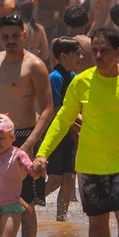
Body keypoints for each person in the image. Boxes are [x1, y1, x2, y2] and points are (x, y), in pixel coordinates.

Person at [33, 26, 119, 237]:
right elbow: (62, 120)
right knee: (97, 226)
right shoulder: (81, 82)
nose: (98, 54)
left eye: (104, 50)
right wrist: (42, 154)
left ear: (118, 51)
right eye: (94, 50)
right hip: (90, 167)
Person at [0, 13, 53, 237]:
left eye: (15, 35)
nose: (10, 41)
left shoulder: (34, 65)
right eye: (5, 36)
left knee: (25, 204)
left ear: (24, 34)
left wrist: (30, 144)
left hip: (24, 135)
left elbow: (48, 108)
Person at [44, 37, 83, 220]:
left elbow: (78, 108)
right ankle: (25, 204)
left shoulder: (74, 77)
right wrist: (79, 127)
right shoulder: (55, 78)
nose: (81, 57)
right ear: (63, 56)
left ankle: (61, 220)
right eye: (77, 54)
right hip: (56, 133)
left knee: (69, 178)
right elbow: (57, 111)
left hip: (69, 135)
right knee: (54, 180)